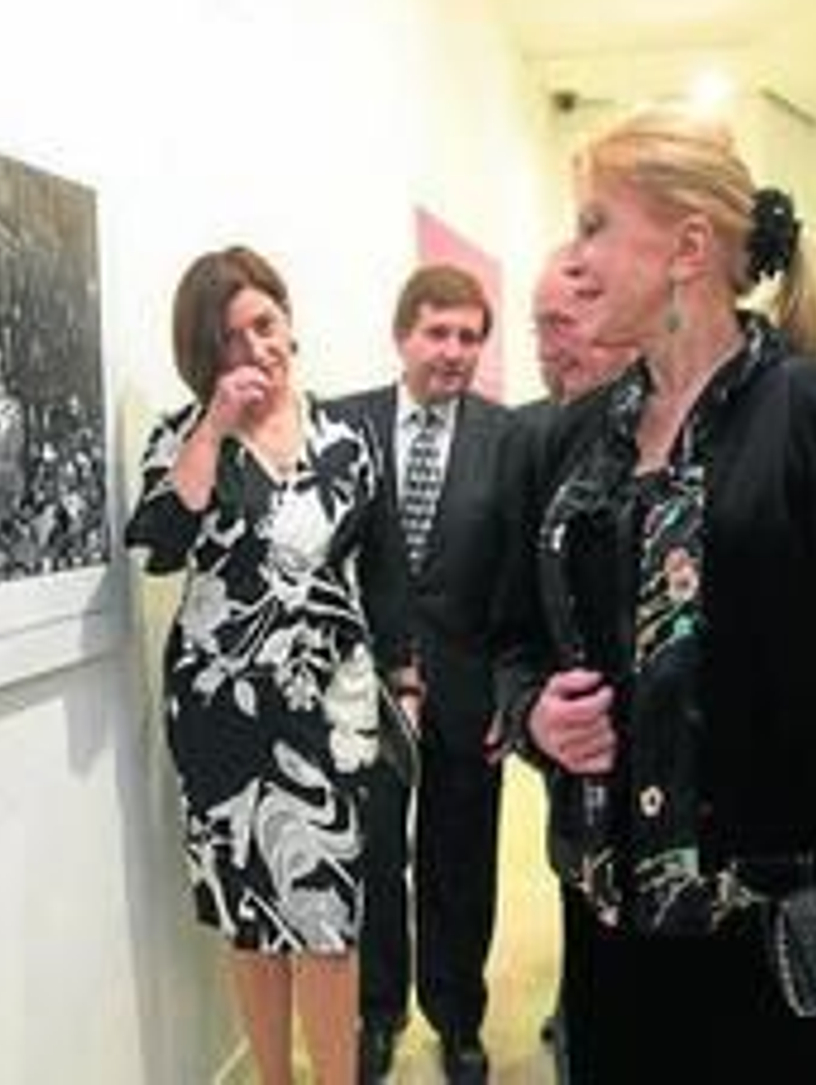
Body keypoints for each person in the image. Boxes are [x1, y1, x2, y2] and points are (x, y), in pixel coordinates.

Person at [493, 107, 816, 1082]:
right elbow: (510, 644)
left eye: (594, 225)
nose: (572, 259)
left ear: (688, 246)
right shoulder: (568, 439)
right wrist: (534, 713)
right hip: (605, 928)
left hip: (769, 940)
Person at [124, 246, 414, 1085]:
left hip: (327, 712)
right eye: (229, 339)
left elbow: (387, 573)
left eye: (265, 323)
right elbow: (161, 547)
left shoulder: (348, 440)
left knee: (328, 920)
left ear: (288, 319)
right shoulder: (184, 437)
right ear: (204, 356)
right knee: (250, 916)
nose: (256, 348)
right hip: (220, 712)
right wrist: (213, 427)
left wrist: (405, 678)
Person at [333, 264, 516, 1084]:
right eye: (437, 332)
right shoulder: (339, 427)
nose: (453, 351)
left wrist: (513, 690)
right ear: (403, 333)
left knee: (461, 862)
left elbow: (521, 580)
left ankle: (458, 1017)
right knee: (373, 856)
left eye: (469, 336)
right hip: (358, 691)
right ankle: (376, 1014)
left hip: (468, 693)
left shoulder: (508, 439)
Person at [515, 245, 640, 1081]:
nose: (549, 344)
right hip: (585, 800)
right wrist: (529, 712)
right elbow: (507, 627)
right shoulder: (537, 439)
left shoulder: (755, 423)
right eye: (540, 325)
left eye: (565, 322)